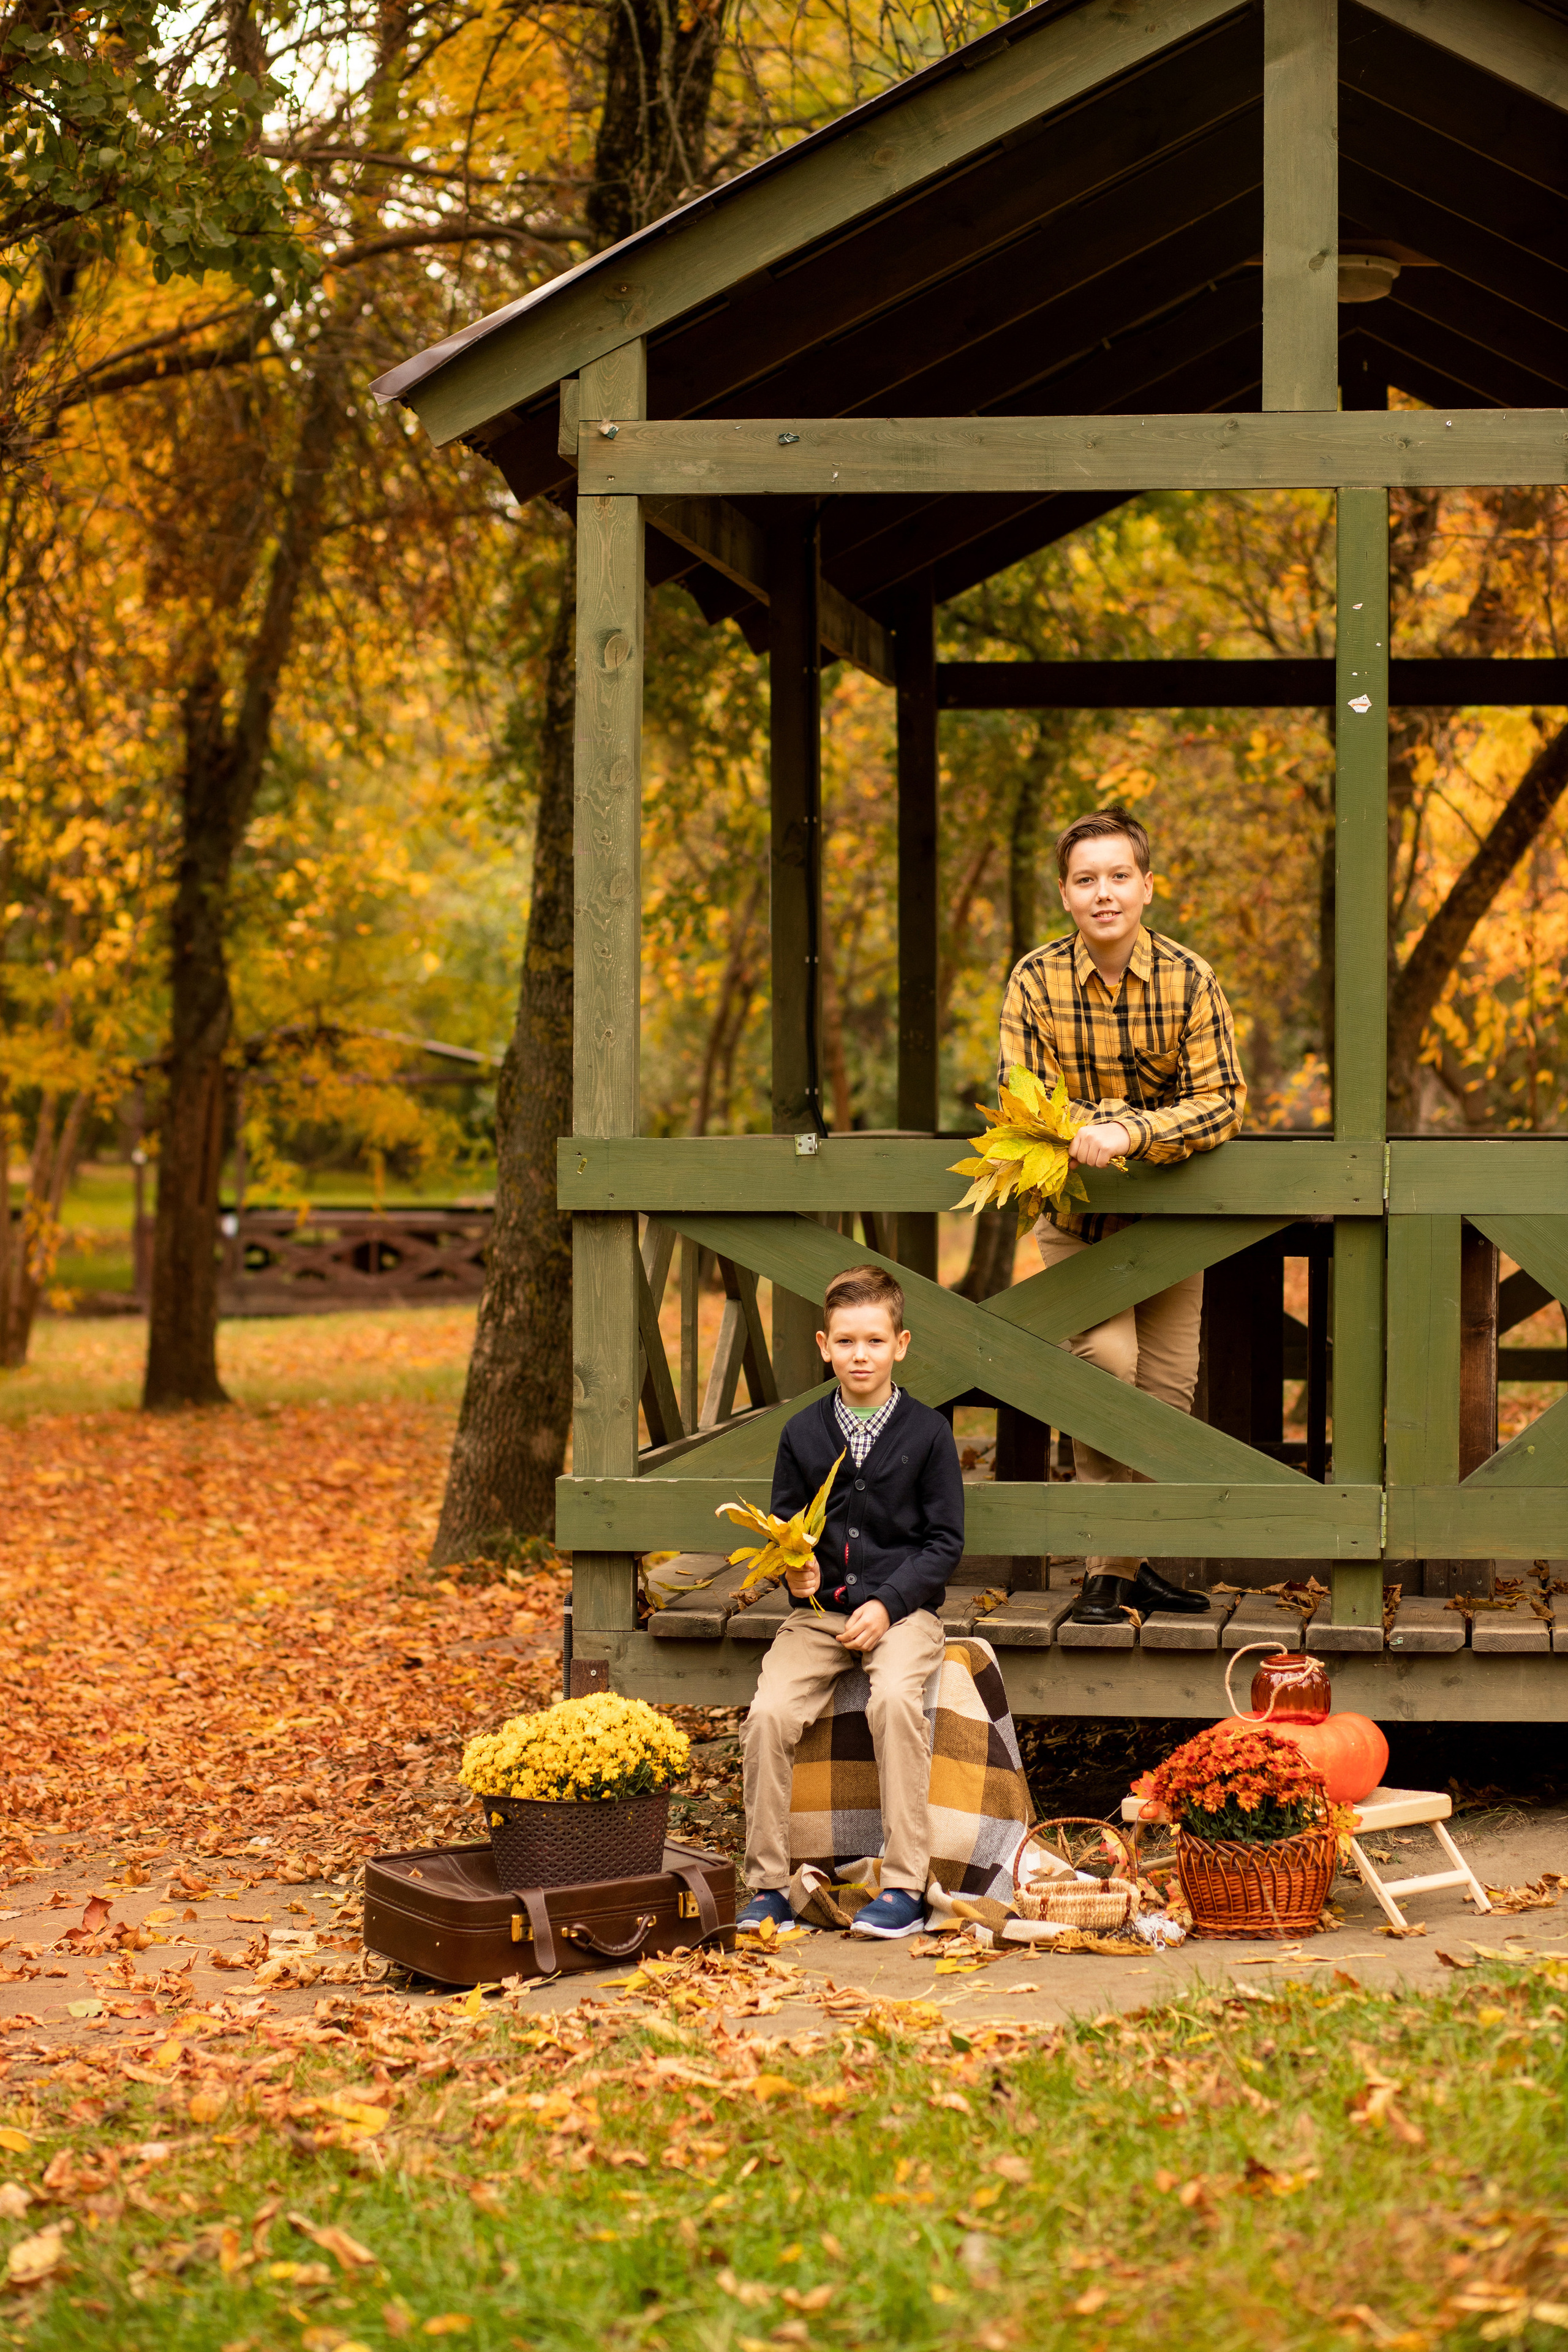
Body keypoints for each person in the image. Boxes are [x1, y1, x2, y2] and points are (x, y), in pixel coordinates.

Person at [998, 805, 1246, 1629]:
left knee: (1166, 1394)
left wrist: (1127, 1131)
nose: (1102, 893)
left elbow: (1222, 1101)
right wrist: (1098, 1127)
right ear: (1065, 894)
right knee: (1107, 1370)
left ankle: (1128, 1570)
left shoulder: (1190, 979)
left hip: (1170, 1225)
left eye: (1117, 876)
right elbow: (1024, 1099)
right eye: (1085, 879)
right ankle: (1103, 1570)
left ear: (1146, 886)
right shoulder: (1034, 981)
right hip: (1077, 1221)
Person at [737, 1264, 965, 1940]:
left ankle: (903, 1885)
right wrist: (796, 1572)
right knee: (768, 1714)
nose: (859, 1355)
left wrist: (889, 1604)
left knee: (893, 1700)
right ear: (823, 1346)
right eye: (845, 1341)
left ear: (901, 1345)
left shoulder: (928, 1432)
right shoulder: (802, 1433)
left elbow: (945, 1542)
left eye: (874, 1340)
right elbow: (786, 1527)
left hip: (904, 1612)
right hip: (819, 1618)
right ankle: (769, 1886)